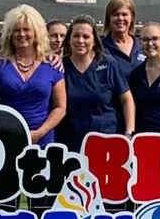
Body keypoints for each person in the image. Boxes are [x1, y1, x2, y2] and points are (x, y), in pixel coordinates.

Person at [0, 4, 66, 145]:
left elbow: (60, 108)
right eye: (17, 30)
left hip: (42, 141)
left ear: (36, 32)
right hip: (7, 140)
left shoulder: (52, 65)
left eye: (26, 30)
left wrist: (39, 133)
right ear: (10, 34)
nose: (21, 34)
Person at [56, 15, 135, 153]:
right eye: (76, 36)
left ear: (94, 41)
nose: (81, 41)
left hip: (107, 139)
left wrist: (129, 133)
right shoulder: (60, 67)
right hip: (72, 143)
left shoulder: (108, 64)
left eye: (86, 37)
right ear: (69, 40)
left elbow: (127, 100)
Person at [101, 0, 145, 78]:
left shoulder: (142, 45)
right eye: (115, 14)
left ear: (132, 17)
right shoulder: (100, 48)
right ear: (108, 18)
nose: (120, 18)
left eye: (124, 14)